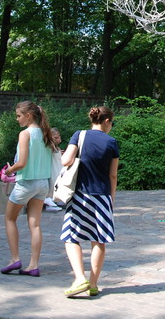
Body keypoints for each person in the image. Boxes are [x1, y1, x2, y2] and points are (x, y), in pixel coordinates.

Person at [61, 105, 120, 297]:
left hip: (80, 195)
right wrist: (111, 200)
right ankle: (93, 284)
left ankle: (80, 278)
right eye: (112, 123)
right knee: (98, 240)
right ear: (106, 121)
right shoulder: (112, 142)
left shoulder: (79, 135)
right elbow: (113, 176)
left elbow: (66, 161)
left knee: (71, 237)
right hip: (102, 196)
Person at [0, 101, 54, 277]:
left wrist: (8, 170)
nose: (17, 119)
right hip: (42, 184)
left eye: (18, 116)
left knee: (9, 218)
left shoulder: (25, 134)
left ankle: (15, 258)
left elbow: (22, 163)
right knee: (35, 224)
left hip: (26, 183)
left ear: (28, 115)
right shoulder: (46, 133)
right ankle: (33, 265)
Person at [44, 127, 64, 211]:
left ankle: (55, 199)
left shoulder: (55, 147)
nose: (59, 140)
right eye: (56, 138)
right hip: (53, 169)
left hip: (57, 169)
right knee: (53, 183)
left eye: (59, 137)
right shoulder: (49, 146)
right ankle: (50, 201)